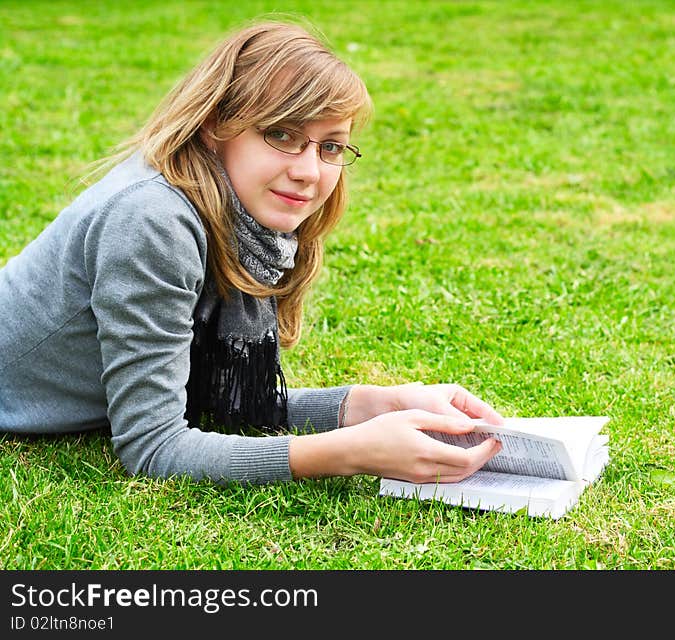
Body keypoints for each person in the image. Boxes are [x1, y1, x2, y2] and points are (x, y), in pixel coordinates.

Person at [0, 20, 503, 486]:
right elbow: (154, 447)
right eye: (282, 135)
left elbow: (220, 401)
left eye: (330, 147)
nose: (310, 171)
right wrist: (350, 452)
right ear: (214, 125)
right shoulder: (153, 219)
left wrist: (375, 405)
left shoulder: (245, 216)